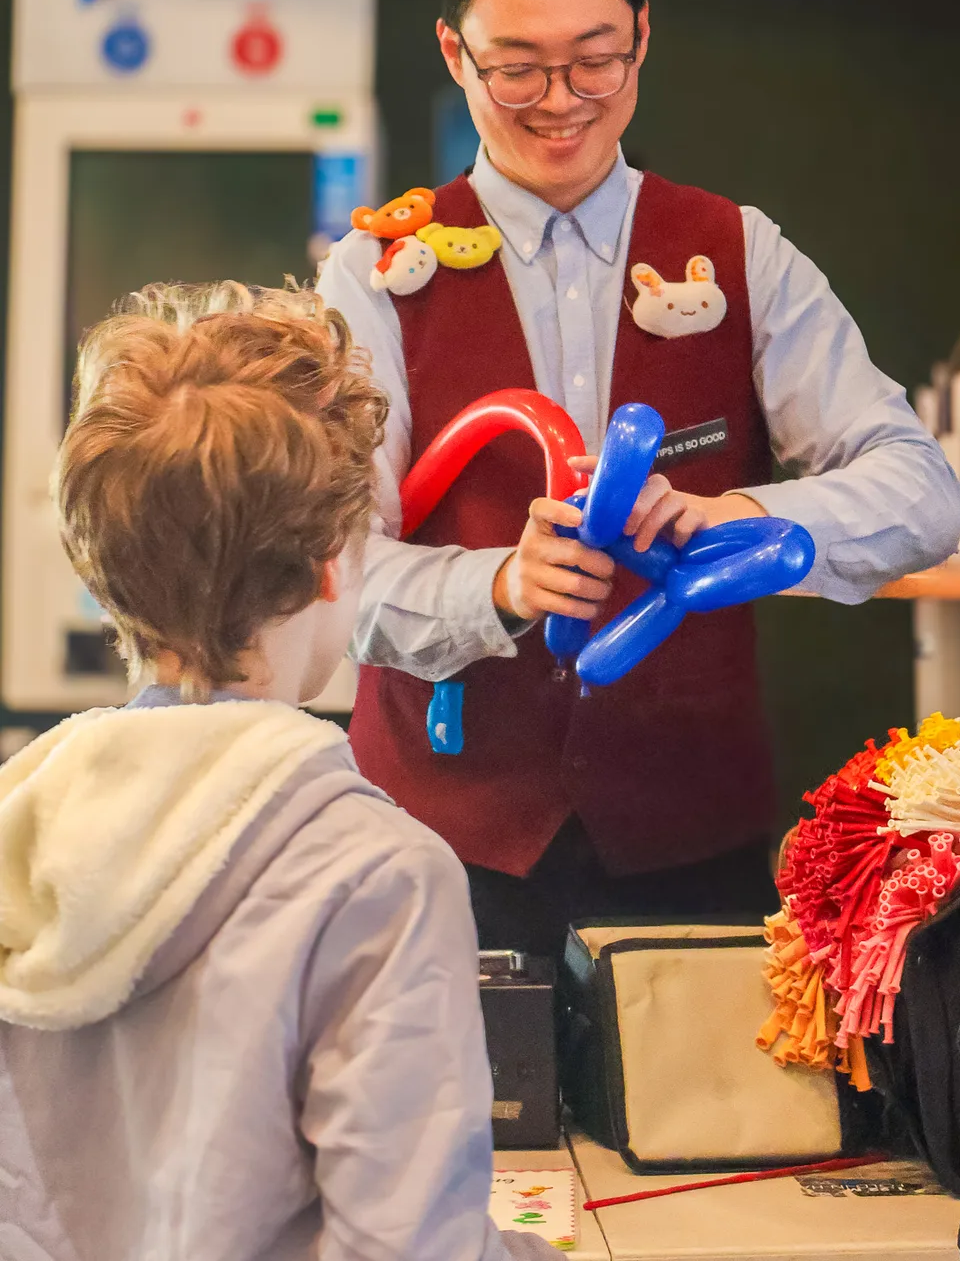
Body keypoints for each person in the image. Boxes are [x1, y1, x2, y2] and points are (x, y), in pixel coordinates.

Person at [318, 0, 960, 956]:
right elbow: (333, 575)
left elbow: (920, 492)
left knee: (701, 1124)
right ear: (453, 55)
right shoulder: (376, 276)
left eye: (594, 60)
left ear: (644, 39)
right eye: (517, 69)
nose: (561, 99)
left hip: (689, 842)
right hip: (439, 844)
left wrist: (742, 516)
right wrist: (500, 587)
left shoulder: (740, 251)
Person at [0, 281, 554, 1261]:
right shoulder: (381, 876)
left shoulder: (19, 834)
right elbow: (408, 1246)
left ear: (103, 572)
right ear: (335, 568)